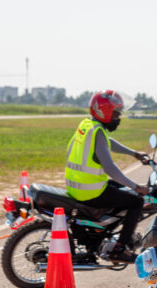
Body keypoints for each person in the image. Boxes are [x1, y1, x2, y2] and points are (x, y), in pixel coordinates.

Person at [65, 90, 151, 263]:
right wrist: (136, 187)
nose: (119, 117)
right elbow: (110, 169)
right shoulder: (97, 131)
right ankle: (120, 249)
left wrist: (134, 154)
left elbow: (107, 143)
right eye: (116, 113)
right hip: (90, 191)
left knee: (122, 190)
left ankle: (105, 233)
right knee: (136, 201)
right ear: (104, 111)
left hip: (78, 185)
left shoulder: (88, 125)